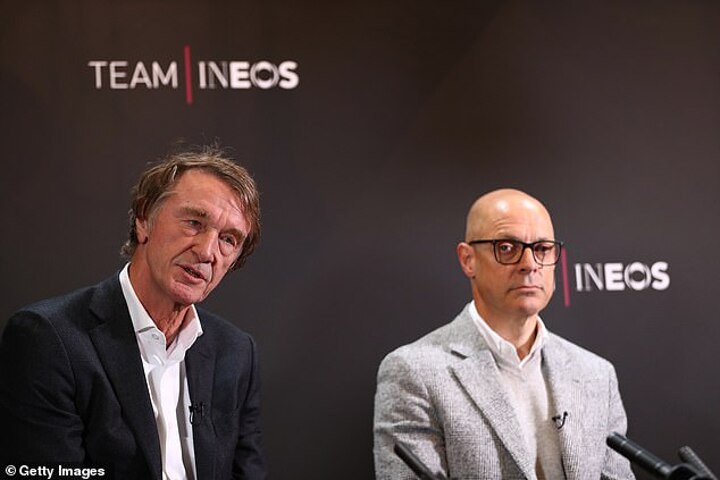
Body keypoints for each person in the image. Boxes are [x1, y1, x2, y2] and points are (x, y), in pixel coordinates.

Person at [0, 146, 267, 480]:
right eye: (194, 223)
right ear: (144, 220)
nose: (207, 251)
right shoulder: (48, 340)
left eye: (228, 239)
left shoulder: (236, 352)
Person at [373, 188, 634, 480]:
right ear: (468, 259)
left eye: (542, 248)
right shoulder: (414, 372)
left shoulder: (596, 374)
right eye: (507, 248)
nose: (530, 264)